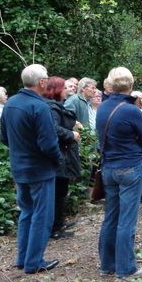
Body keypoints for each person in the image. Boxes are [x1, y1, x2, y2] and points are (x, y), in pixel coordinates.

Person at [0, 64, 61, 274]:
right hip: (40, 170)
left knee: (26, 212)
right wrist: (58, 159)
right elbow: (48, 144)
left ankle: (23, 258)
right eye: (47, 79)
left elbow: (4, 138)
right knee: (41, 216)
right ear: (42, 82)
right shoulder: (40, 107)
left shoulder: (11, 104)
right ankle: (34, 262)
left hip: (19, 168)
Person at [96, 67, 142, 279]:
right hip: (129, 168)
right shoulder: (131, 110)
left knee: (111, 217)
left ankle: (107, 264)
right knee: (126, 220)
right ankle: (126, 269)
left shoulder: (102, 107)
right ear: (130, 85)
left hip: (108, 168)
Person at [43, 76, 81, 239]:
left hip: (62, 155)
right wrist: (71, 134)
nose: (67, 91)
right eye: (64, 88)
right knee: (58, 192)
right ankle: (54, 228)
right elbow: (54, 129)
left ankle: (59, 222)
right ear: (58, 90)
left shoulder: (56, 106)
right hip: (59, 156)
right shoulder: (51, 108)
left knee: (61, 191)